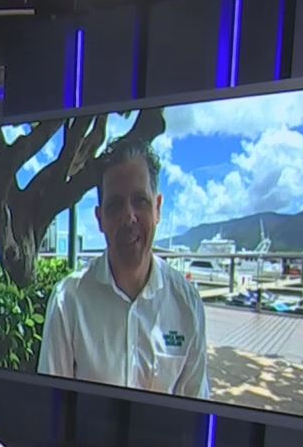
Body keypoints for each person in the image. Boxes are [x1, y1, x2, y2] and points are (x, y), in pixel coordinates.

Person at [38, 141, 209, 397]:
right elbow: (50, 405)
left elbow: (195, 405)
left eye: (140, 201)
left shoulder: (187, 304)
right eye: (115, 205)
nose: (129, 216)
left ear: (157, 209)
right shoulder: (68, 301)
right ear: (100, 219)